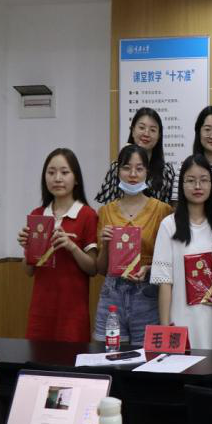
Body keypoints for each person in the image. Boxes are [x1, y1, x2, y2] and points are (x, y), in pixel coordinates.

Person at [94, 145, 173, 344]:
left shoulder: (162, 210)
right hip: (112, 293)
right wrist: (105, 245)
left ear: (147, 172)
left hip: (147, 293)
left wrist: (149, 269)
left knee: (146, 356)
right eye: (126, 168)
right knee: (107, 354)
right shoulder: (105, 212)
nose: (132, 174)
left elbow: (169, 262)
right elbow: (101, 269)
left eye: (139, 168)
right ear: (118, 171)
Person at [17, 148, 98, 342]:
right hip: (40, 311)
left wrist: (71, 247)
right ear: (45, 178)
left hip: (73, 314)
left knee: (71, 360)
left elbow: (93, 268)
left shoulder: (87, 215)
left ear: (76, 179)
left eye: (64, 172)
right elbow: (28, 271)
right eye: (51, 172)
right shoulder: (37, 214)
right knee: (36, 359)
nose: (57, 178)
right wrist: (27, 247)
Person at [151, 154, 212, 350]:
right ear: (181, 185)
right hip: (180, 320)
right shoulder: (169, 225)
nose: (197, 186)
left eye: (204, 180)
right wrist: (165, 327)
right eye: (191, 180)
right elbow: (164, 281)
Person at [95, 107, 175, 204]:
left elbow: (168, 208)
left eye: (152, 130)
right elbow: (108, 206)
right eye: (141, 128)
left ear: (159, 135)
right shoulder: (117, 167)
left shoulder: (166, 171)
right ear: (132, 131)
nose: (146, 133)